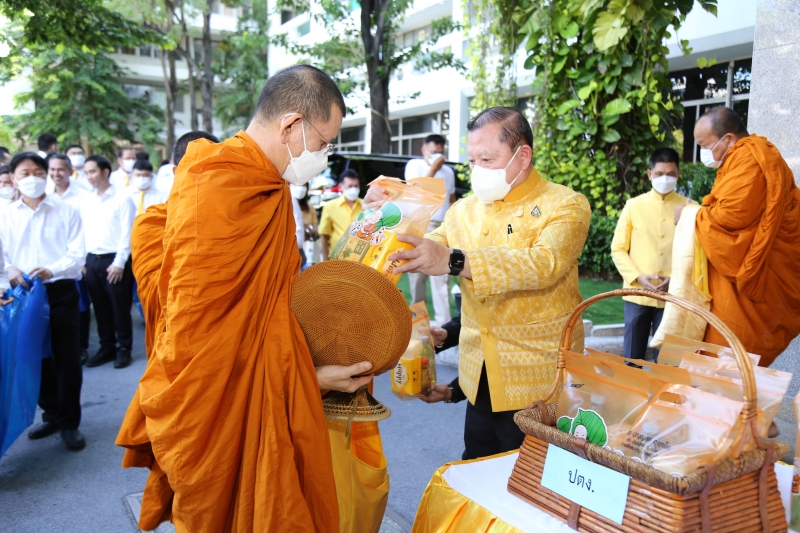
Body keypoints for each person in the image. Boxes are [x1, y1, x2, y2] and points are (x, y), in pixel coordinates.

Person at [116, 65, 375, 533]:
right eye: (324, 142)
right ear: (291, 125)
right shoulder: (217, 185)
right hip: (217, 409)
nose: (324, 156)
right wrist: (307, 378)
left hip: (265, 391)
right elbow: (201, 347)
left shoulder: (270, 189)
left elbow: (269, 304)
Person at [373, 106, 591, 460]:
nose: (476, 170)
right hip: (480, 382)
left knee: (530, 489)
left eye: (487, 159)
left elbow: (543, 264)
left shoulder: (564, 205)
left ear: (522, 157)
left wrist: (452, 260)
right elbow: (426, 244)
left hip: (540, 386)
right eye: (471, 160)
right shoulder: (464, 211)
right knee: (476, 470)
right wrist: (383, 218)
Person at [675, 107, 800, 366]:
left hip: (754, 284)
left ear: (729, 139)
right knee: (723, 367)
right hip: (734, 290)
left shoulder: (751, 159)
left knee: (728, 363)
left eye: (704, 145)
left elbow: (730, 219)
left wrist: (690, 214)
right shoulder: (743, 159)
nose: (702, 152)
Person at [0, 152, 86, 450]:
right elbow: (3, 260)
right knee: (32, 357)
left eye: (38, 172)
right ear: (13, 178)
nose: (32, 178)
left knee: (67, 358)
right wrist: (8, 270)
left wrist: (53, 268)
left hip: (59, 290)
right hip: (22, 296)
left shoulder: (66, 211)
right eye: (24, 173)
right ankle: (52, 413)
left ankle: (70, 423)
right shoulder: (4, 216)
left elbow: (77, 256)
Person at [610, 148, 689, 362]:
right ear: (649, 174)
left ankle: (663, 396)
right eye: (660, 173)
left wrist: (675, 280)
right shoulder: (633, 206)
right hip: (637, 295)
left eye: (671, 174)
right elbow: (617, 248)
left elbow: (696, 254)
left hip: (673, 296)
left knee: (667, 363)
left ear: (678, 174)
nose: (665, 178)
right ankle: (631, 395)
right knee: (632, 360)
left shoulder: (690, 208)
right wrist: (638, 277)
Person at [80, 155, 136, 369]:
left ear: (105, 172)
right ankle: (107, 347)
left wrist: (120, 262)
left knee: (119, 307)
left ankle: (124, 348)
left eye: (93, 171)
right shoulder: (86, 200)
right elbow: (83, 232)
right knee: (100, 307)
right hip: (92, 259)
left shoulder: (122, 198)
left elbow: (127, 232)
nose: (89, 177)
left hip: (115, 260)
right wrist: (83, 261)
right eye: (86, 173)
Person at [404, 134, 457, 326]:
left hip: (440, 227)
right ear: (424, 150)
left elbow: (452, 200)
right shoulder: (414, 166)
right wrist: (434, 168)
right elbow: (416, 193)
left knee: (441, 278)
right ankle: (418, 324)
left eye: (441, 153)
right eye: (434, 152)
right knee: (417, 277)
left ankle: (444, 326)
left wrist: (454, 224)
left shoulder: (449, 172)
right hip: (419, 226)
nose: (438, 156)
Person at [319, 169, 362, 260]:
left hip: (360, 260)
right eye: (350, 186)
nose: (353, 189)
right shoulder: (330, 207)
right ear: (341, 186)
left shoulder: (365, 207)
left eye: (356, 186)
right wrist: (325, 262)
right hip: (337, 260)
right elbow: (324, 237)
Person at [291, 183, 320, 264]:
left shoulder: (310, 208)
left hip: (306, 248)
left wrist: (307, 228)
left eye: (304, 185)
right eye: (297, 184)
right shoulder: (286, 204)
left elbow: (315, 233)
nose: (300, 188)